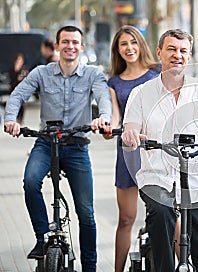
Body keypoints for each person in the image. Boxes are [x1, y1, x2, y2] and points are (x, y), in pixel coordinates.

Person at [121, 29, 198, 272]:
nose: (177, 55)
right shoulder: (141, 93)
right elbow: (131, 126)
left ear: (189, 56)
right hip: (156, 176)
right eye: (171, 49)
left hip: (194, 179)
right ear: (159, 53)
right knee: (161, 212)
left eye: (183, 51)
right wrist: (131, 134)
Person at [4, 25, 112, 272]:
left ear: (81, 47)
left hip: (76, 147)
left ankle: (90, 267)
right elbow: (18, 95)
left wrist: (103, 118)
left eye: (75, 42)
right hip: (45, 142)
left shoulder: (92, 75)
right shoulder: (42, 73)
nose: (70, 46)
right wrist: (12, 119)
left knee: (86, 213)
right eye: (65, 42)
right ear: (57, 46)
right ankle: (42, 237)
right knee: (30, 182)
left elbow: (103, 98)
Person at [105, 25, 162, 272]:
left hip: (157, 152)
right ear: (117, 50)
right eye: (123, 44)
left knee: (168, 216)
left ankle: (180, 265)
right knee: (126, 218)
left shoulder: (157, 73)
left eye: (133, 42)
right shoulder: (114, 82)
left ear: (141, 45)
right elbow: (116, 117)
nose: (129, 48)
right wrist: (109, 127)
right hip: (127, 153)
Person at [8, 53, 29, 124]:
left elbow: (27, 78)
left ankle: (20, 118)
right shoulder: (12, 69)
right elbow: (12, 79)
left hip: (22, 90)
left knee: (22, 105)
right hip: (14, 88)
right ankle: (15, 117)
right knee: (14, 104)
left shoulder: (24, 69)